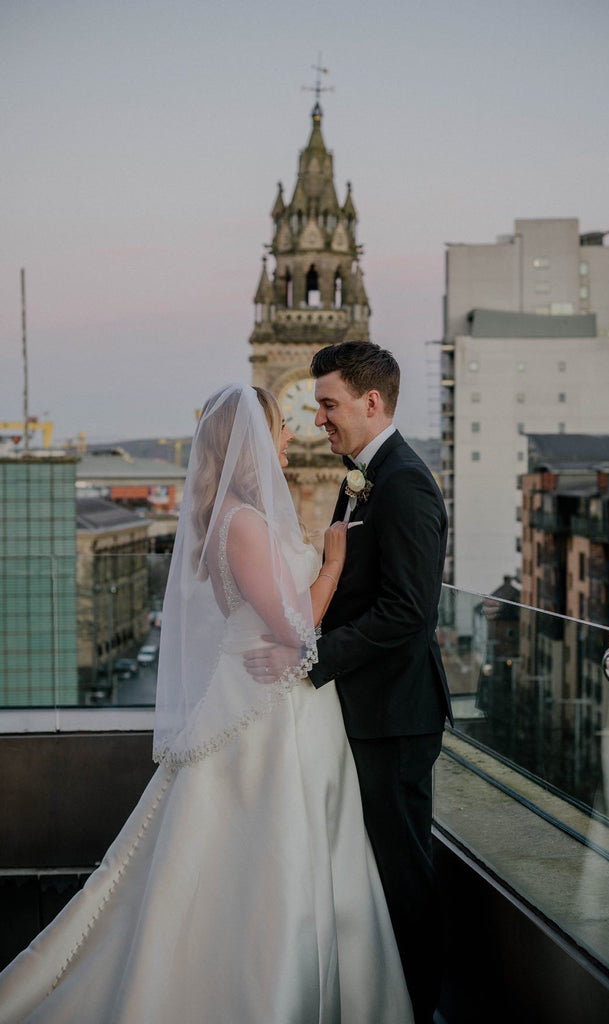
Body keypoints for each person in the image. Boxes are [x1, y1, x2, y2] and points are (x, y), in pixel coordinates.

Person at [0, 383, 414, 1024]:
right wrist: (331, 562)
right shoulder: (242, 523)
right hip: (264, 706)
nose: (287, 438)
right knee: (265, 853)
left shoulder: (239, 518)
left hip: (281, 693)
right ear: (248, 442)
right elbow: (295, 627)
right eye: (278, 428)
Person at [245, 342, 453, 1024]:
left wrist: (312, 657)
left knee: (404, 874)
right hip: (365, 710)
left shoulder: (406, 483)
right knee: (376, 874)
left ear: (372, 402)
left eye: (329, 405)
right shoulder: (361, 474)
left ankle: (421, 1010)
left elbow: (408, 614)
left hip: (396, 717)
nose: (321, 419)